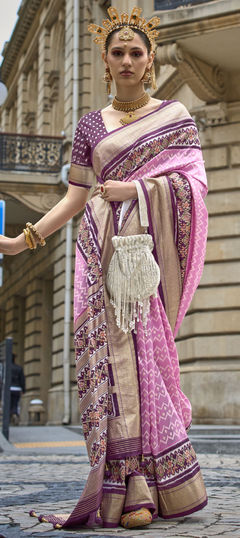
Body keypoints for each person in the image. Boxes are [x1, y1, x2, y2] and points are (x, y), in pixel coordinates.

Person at [0, 6, 208, 530]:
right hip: (98, 255)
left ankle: (153, 483)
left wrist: (136, 188)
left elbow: (194, 188)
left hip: (143, 263)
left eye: (136, 52)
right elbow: (73, 197)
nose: (127, 60)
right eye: (118, 52)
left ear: (150, 59)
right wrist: (22, 240)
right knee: (108, 370)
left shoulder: (176, 117)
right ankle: (125, 482)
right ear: (105, 61)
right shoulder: (91, 125)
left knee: (144, 363)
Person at [10, 353, 25, 425]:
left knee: (9, 403)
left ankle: (11, 415)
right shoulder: (19, 368)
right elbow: (22, 379)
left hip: (8, 389)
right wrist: (24, 389)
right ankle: (15, 413)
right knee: (15, 403)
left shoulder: (6, 368)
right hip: (17, 388)